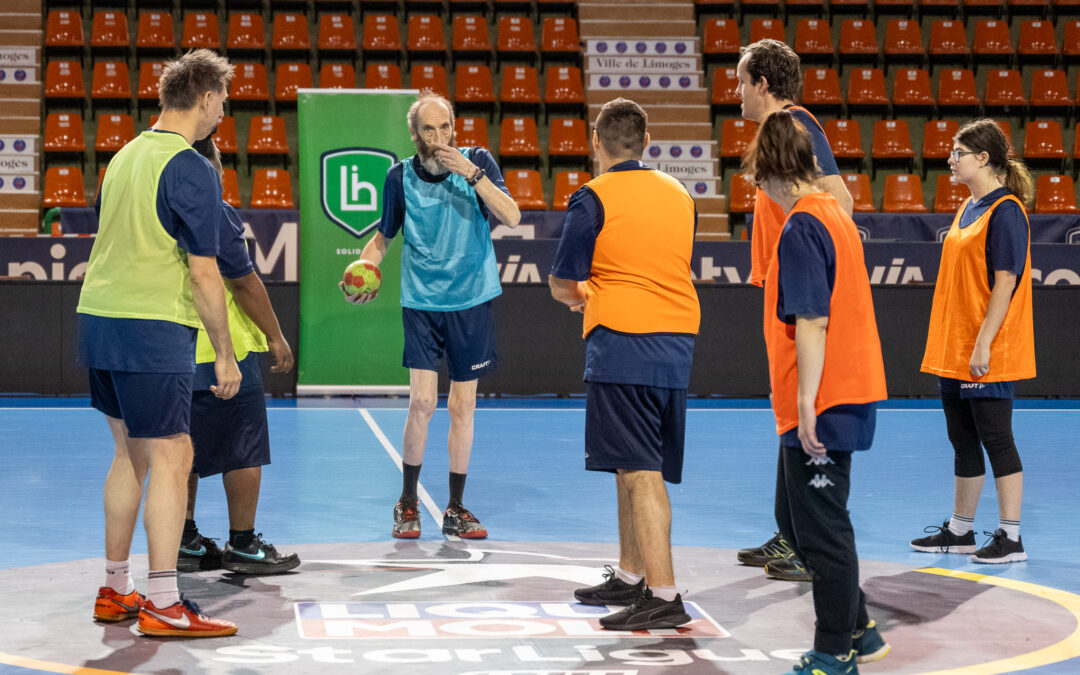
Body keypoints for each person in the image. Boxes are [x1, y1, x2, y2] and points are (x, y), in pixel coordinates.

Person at [78, 49, 239, 637]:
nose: (224, 109)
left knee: (130, 456)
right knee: (175, 456)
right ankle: (165, 603)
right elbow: (203, 271)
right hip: (152, 327)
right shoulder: (191, 165)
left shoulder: (121, 157)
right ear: (203, 98)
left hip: (99, 320)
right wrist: (223, 352)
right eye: (222, 99)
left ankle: (116, 589)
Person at [743, 111, 889, 674]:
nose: (762, 194)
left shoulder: (803, 224)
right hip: (834, 394)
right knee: (802, 520)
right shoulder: (833, 214)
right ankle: (861, 629)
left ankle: (834, 650)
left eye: (759, 181)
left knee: (822, 531)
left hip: (822, 401)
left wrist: (807, 401)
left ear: (775, 171)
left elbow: (812, 319)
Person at [341, 91, 520, 539]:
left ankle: (456, 508)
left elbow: (512, 216)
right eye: (429, 129)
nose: (439, 137)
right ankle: (406, 502)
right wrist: (362, 270)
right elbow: (382, 239)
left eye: (445, 128)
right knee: (422, 403)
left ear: (454, 128)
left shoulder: (477, 160)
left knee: (463, 406)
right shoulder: (398, 176)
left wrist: (474, 174)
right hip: (422, 302)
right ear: (414, 134)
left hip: (472, 300)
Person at [549, 98, 700, 631]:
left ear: (596, 140)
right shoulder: (681, 193)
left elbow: (563, 282)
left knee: (639, 471)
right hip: (676, 339)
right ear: (646, 140)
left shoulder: (592, 197)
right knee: (631, 462)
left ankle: (663, 593)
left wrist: (586, 297)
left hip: (622, 343)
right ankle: (633, 575)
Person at [734, 38, 853, 582]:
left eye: (741, 81)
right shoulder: (779, 132)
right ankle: (790, 534)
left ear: (763, 84)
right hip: (781, 286)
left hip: (799, 292)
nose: (736, 91)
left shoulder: (797, 124)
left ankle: (804, 544)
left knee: (801, 411)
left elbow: (838, 201)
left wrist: (806, 253)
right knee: (787, 413)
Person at [912, 118, 1036, 564]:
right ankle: (961, 531)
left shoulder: (1006, 211)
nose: (950, 158)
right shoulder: (967, 208)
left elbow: (1006, 282)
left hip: (987, 349)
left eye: (958, 152)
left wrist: (983, 342)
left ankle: (1011, 537)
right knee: (962, 439)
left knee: (996, 438)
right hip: (955, 347)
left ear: (984, 158)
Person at [177, 134, 300, 575]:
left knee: (181, 448)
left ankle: (185, 540)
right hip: (224, 352)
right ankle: (244, 544)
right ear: (212, 170)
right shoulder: (217, 213)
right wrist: (276, 336)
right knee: (244, 449)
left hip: (175, 349)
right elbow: (245, 283)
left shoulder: (160, 213)